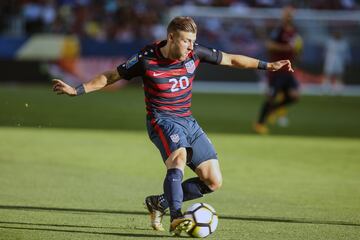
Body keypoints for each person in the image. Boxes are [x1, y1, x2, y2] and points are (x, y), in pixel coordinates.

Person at [53, 16, 293, 236]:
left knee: (213, 182)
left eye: (193, 41)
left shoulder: (195, 54)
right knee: (177, 159)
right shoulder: (146, 58)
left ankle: (160, 202)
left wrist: (267, 65)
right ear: (171, 38)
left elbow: (231, 59)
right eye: (187, 41)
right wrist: (77, 89)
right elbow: (110, 76)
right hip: (162, 120)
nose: (191, 46)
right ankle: (176, 217)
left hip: (188, 120)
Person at [254, 7, 301, 134]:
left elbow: (295, 48)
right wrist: (285, 47)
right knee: (271, 97)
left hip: (288, 71)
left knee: (294, 96)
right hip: (277, 70)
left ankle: (273, 110)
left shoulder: (295, 31)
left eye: (291, 15)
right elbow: (269, 45)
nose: (289, 17)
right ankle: (259, 124)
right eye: (287, 15)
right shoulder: (279, 31)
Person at [322, 30, 351, 94]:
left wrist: (347, 61)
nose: (337, 35)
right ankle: (325, 89)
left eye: (338, 34)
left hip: (340, 62)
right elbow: (325, 52)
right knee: (328, 75)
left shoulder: (344, 43)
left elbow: (347, 54)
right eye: (336, 34)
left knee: (339, 76)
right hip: (330, 61)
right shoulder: (329, 42)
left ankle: (338, 89)